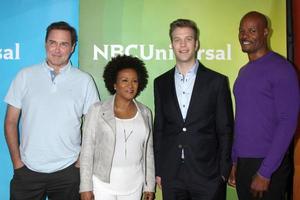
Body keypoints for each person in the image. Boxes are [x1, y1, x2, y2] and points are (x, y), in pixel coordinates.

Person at [4, 21, 100, 200]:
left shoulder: (84, 81)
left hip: (68, 171)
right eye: (52, 42)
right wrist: (17, 163)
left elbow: (93, 127)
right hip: (27, 171)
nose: (57, 49)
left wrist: (80, 164)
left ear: (72, 47)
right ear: (45, 44)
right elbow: (10, 121)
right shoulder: (25, 76)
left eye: (64, 44)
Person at [153, 18, 234, 200]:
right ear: (171, 45)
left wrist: (223, 172)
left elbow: (225, 129)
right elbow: (160, 128)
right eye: (177, 39)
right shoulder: (160, 83)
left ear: (196, 44)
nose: (183, 44)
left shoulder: (217, 82)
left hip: (208, 175)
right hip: (172, 175)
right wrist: (159, 169)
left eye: (188, 39)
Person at [228, 11, 300, 200]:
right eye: (242, 31)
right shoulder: (243, 72)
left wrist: (265, 172)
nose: (245, 36)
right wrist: (235, 161)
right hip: (244, 162)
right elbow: (241, 118)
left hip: (268, 165)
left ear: (266, 32)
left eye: (252, 30)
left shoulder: (282, 69)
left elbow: (288, 122)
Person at [79, 55, 155, 200]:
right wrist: (85, 187)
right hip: (102, 185)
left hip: (134, 185)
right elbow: (87, 151)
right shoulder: (97, 110)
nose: (130, 85)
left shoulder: (145, 113)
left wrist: (149, 185)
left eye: (134, 81)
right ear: (114, 84)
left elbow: (148, 153)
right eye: (124, 80)